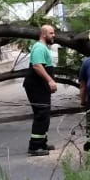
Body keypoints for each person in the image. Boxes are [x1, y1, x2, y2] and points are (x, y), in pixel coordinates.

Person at [23, 25, 58, 156]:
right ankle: (35, 146)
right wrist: (50, 80)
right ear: (43, 34)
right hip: (36, 86)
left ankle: (42, 142)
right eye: (51, 33)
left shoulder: (43, 48)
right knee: (41, 114)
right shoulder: (39, 47)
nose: (54, 35)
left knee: (45, 115)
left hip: (40, 86)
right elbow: (37, 66)